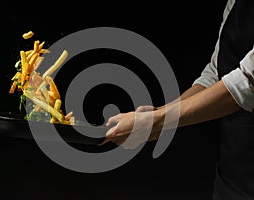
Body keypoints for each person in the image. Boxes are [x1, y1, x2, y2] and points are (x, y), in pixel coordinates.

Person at [104, 0, 254, 199]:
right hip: (234, 173)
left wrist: (158, 120)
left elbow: (246, 83)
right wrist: (159, 117)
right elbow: (215, 73)